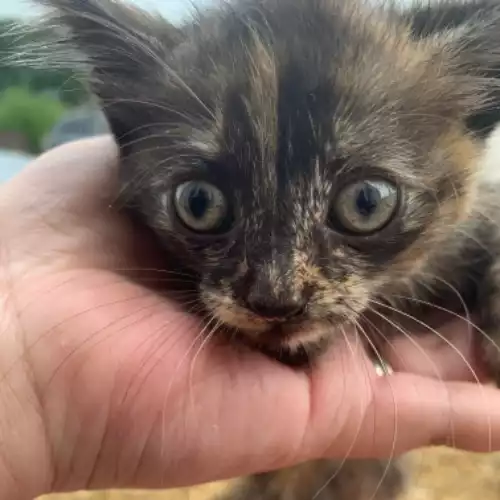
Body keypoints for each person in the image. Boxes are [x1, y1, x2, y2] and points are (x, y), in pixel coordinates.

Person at [0, 135, 499, 500]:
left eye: (364, 204)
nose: (277, 293)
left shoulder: (464, 224)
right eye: (202, 206)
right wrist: (26, 377)